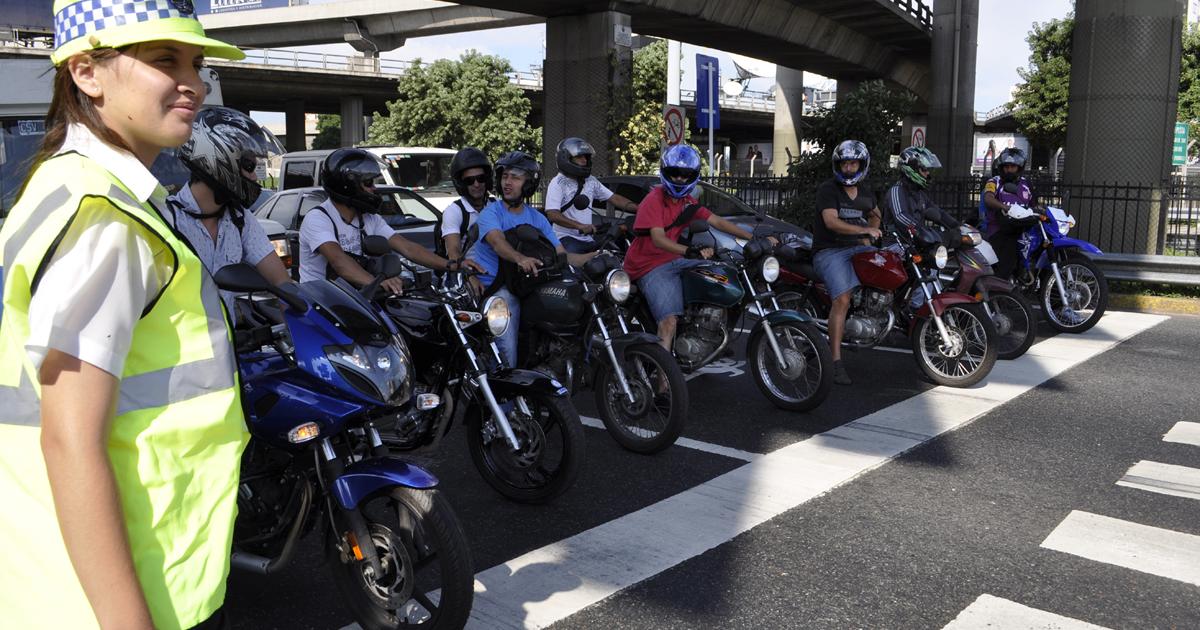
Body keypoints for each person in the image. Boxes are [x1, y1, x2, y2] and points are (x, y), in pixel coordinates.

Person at [0, 4, 248, 629]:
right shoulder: (103, 219)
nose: (195, 81)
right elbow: (70, 440)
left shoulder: (60, 183)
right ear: (86, 72)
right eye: (165, 60)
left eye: (197, 62)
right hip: (130, 587)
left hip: (60, 569)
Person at [622, 144, 759, 354]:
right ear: (665, 173)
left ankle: (710, 337)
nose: (679, 179)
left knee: (724, 277)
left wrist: (752, 238)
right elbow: (658, 239)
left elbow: (717, 221)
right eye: (674, 174)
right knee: (668, 321)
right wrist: (688, 251)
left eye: (685, 175)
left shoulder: (687, 202)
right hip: (649, 266)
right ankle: (663, 382)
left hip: (675, 259)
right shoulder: (653, 200)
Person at [471, 151, 596, 367]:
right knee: (508, 350)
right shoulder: (491, 213)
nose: (507, 183)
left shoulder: (537, 218)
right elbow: (497, 242)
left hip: (530, 284)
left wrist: (593, 257)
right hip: (498, 288)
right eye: (505, 177)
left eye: (515, 178)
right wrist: (520, 258)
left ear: (528, 185)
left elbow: (561, 253)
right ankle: (505, 394)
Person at [165, 106, 292, 315]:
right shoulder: (168, 220)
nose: (254, 178)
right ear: (218, 157)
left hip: (226, 343)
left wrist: (302, 309)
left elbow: (280, 280)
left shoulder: (240, 219)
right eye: (249, 165)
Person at [298, 148, 474, 292]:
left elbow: (407, 247)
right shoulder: (318, 219)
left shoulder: (369, 218)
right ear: (348, 185)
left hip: (354, 296)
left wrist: (451, 264)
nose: (374, 189)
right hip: (320, 301)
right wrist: (376, 282)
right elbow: (338, 261)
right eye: (368, 183)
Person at [810, 140, 883, 386]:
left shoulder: (864, 191)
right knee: (841, 299)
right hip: (829, 251)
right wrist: (862, 233)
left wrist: (870, 233)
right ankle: (835, 362)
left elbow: (876, 214)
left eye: (853, 163)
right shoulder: (828, 190)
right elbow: (831, 222)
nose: (849, 168)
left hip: (854, 248)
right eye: (844, 163)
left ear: (861, 165)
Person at [544, 137, 639, 254]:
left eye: (586, 157)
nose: (584, 160)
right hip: (566, 239)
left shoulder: (590, 181)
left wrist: (640, 208)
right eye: (579, 157)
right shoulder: (558, 183)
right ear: (566, 158)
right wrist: (579, 226)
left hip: (589, 238)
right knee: (572, 267)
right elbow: (553, 214)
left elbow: (614, 198)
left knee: (615, 257)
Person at [978, 147, 1035, 279]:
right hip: (999, 230)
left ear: (1019, 167)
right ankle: (1002, 295)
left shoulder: (1026, 184)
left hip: (1023, 228)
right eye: (1006, 166)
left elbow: (1034, 205)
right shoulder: (995, 181)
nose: (1009, 169)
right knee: (1006, 264)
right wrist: (1005, 207)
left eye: (1013, 166)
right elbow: (988, 198)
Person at [438, 146, 494, 260]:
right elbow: (454, 253)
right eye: (469, 180)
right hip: (467, 274)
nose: (476, 184)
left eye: (481, 178)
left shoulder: (496, 205)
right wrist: (468, 274)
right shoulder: (454, 211)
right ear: (461, 184)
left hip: (498, 274)